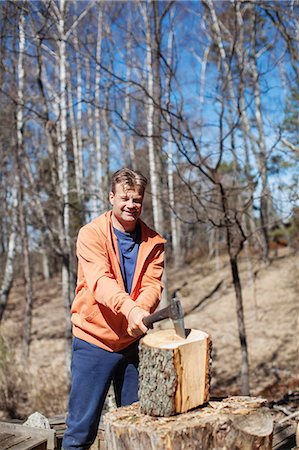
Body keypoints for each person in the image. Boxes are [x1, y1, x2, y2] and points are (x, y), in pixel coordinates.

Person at [62, 168, 165, 450]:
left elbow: (152, 285)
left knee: (137, 430)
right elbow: (100, 281)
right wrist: (131, 310)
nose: (131, 204)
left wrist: (141, 311)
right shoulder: (91, 234)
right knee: (80, 434)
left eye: (137, 199)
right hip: (94, 341)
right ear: (111, 197)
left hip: (132, 345)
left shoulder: (154, 242)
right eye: (125, 198)